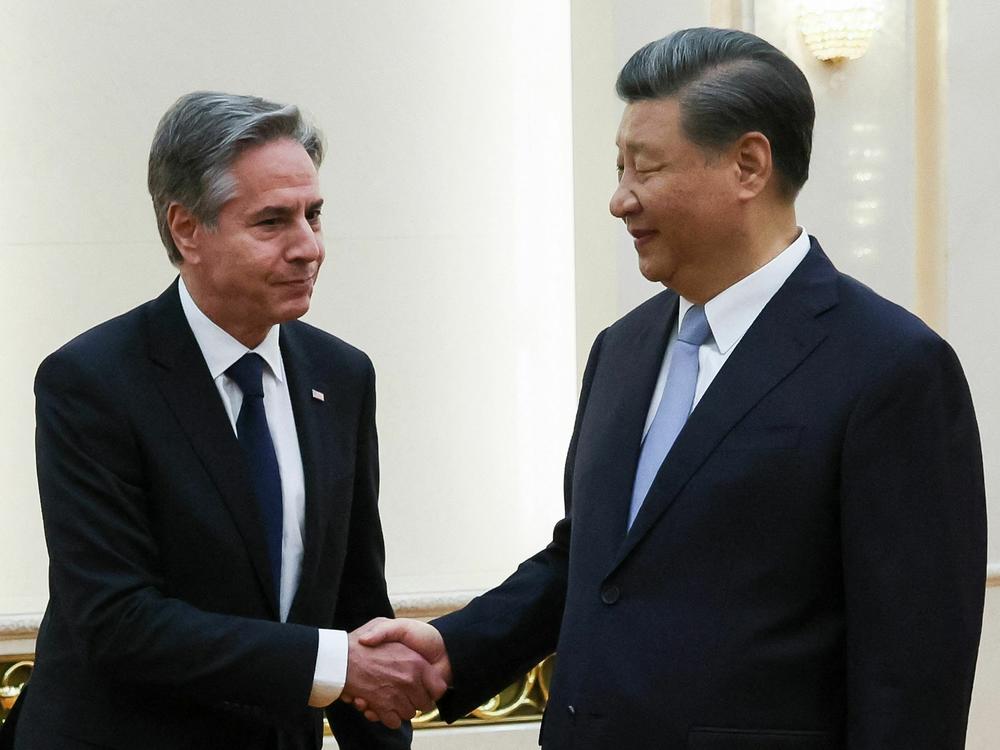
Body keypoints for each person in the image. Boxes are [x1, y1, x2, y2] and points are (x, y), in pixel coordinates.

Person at [352, 27, 988, 749]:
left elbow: (912, 675)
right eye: (618, 167)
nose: (619, 200)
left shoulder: (892, 368)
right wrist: (458, 645)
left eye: (645, 169)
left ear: (748, 165)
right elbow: (595, 559)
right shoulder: (620, 350)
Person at [1, 92, 444, 750]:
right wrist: (332, 666)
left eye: (314, 215)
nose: (309, 247)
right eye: (273, 222)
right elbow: (118, 620)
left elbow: (355, 603)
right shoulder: (92, 381)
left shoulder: (341, 376)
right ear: (187, 230)